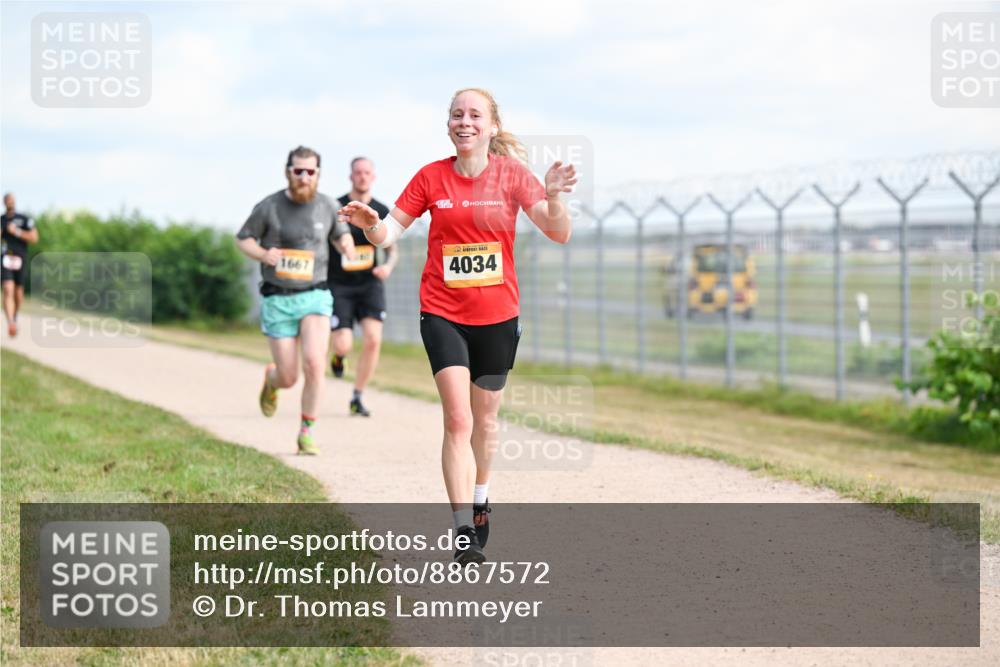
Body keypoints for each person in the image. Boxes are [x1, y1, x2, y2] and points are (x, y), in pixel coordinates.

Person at [339, 88, 576, 564]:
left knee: (485, 422)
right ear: (448, 124)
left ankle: (482, 495)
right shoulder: (431, 177)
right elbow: (389, 232)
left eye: (474, 115)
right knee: (458, 420)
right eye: (456, 114)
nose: (464, 122)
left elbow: (558, 231)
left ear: (491, 126)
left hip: (498, 317)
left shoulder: (511, 176)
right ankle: (463, 528)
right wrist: (369, 224)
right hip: (442, 311)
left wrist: (552, 197)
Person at [236, 146, 355, 455]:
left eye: (310, 171)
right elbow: (243, 239)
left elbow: (340, 234)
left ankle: (307, 430)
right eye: (298, 171)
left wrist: (347, 247)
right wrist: (264, 254)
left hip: (315, 295)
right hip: (278, 298)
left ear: (318, 174)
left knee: (315, 363)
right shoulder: (270, 206)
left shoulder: (327, 206)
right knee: (289, 376)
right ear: (287, 171)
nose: (304, 177)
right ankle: (272, 380)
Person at [328, 157, 399, 417]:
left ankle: (357, 395)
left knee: (373, 339)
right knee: (344, 344)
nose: (362, 177)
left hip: (369, 283)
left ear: (373, 177)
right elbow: (331, 238)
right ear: (351, 176)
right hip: (339, 284)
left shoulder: (380, 209)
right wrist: (342, 246)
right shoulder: (337, 206)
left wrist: (388, 267)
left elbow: (392, 249)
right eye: (358, 172)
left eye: (367, 172)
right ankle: (338, 357)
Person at [1, 192, 39, 337]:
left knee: (18, 291)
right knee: (7, 289)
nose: (10, 203)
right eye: (7, 201)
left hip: (20, 258)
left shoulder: (24, 219)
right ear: (4, 203)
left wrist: (16, 231)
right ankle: (10, 322)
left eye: (12, 200)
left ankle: (15, 316)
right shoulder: (1, 220)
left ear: (14, 202)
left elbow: (34, 238)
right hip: (5, 257)